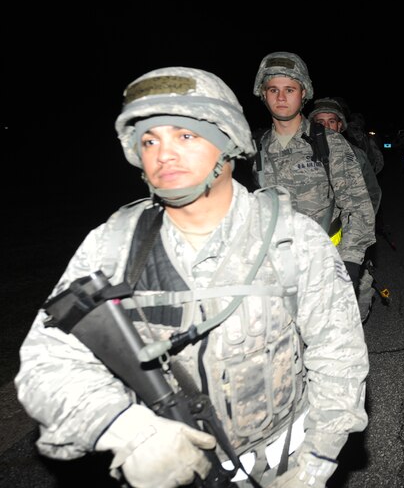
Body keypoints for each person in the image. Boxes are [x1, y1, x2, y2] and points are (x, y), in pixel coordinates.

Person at [15, 67, 369, 488]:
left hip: (283, 464)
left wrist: (316, 460)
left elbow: (338, 354)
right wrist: (125, 430)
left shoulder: (293, 239)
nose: (163, 154)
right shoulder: (113, 244)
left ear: (228, 142)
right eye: (150, 140)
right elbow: (48, 362)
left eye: (185, 135)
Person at [251, 51, 376, 296]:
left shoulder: (330, 143)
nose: (281, 97)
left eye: (290, 89)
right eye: (273, 90)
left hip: (326, 263)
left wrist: (349, 263)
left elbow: (359, 207)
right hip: (275, 268)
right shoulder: (257, 147)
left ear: (303, 93)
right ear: (263, 95)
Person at [308, 97, 382, 322]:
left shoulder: (355, 154)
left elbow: (372, 193)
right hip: (317, 234)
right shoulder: (303, 153)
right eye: (320, 122)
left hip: (350, 231)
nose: (326, 127)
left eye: (332, 121)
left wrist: (359, 227)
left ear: (340, 125)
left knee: (359, 289)